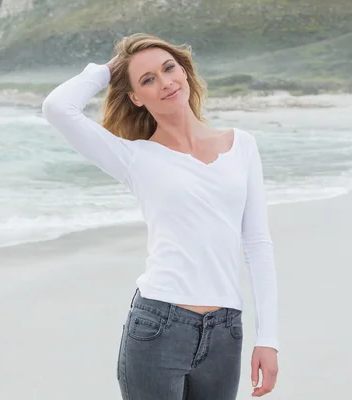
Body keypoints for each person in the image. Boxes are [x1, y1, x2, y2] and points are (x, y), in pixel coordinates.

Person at [41, 33, 279, 399]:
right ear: (136, 97)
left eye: (169, 68)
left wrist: (269, 339)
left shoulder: (242, 145)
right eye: (148, 79)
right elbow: (57, 107)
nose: (165, 82)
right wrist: (111, 68)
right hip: (158, 327)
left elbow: (257, 244)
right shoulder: (134, 157)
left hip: (225, 332)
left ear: (184, 71)